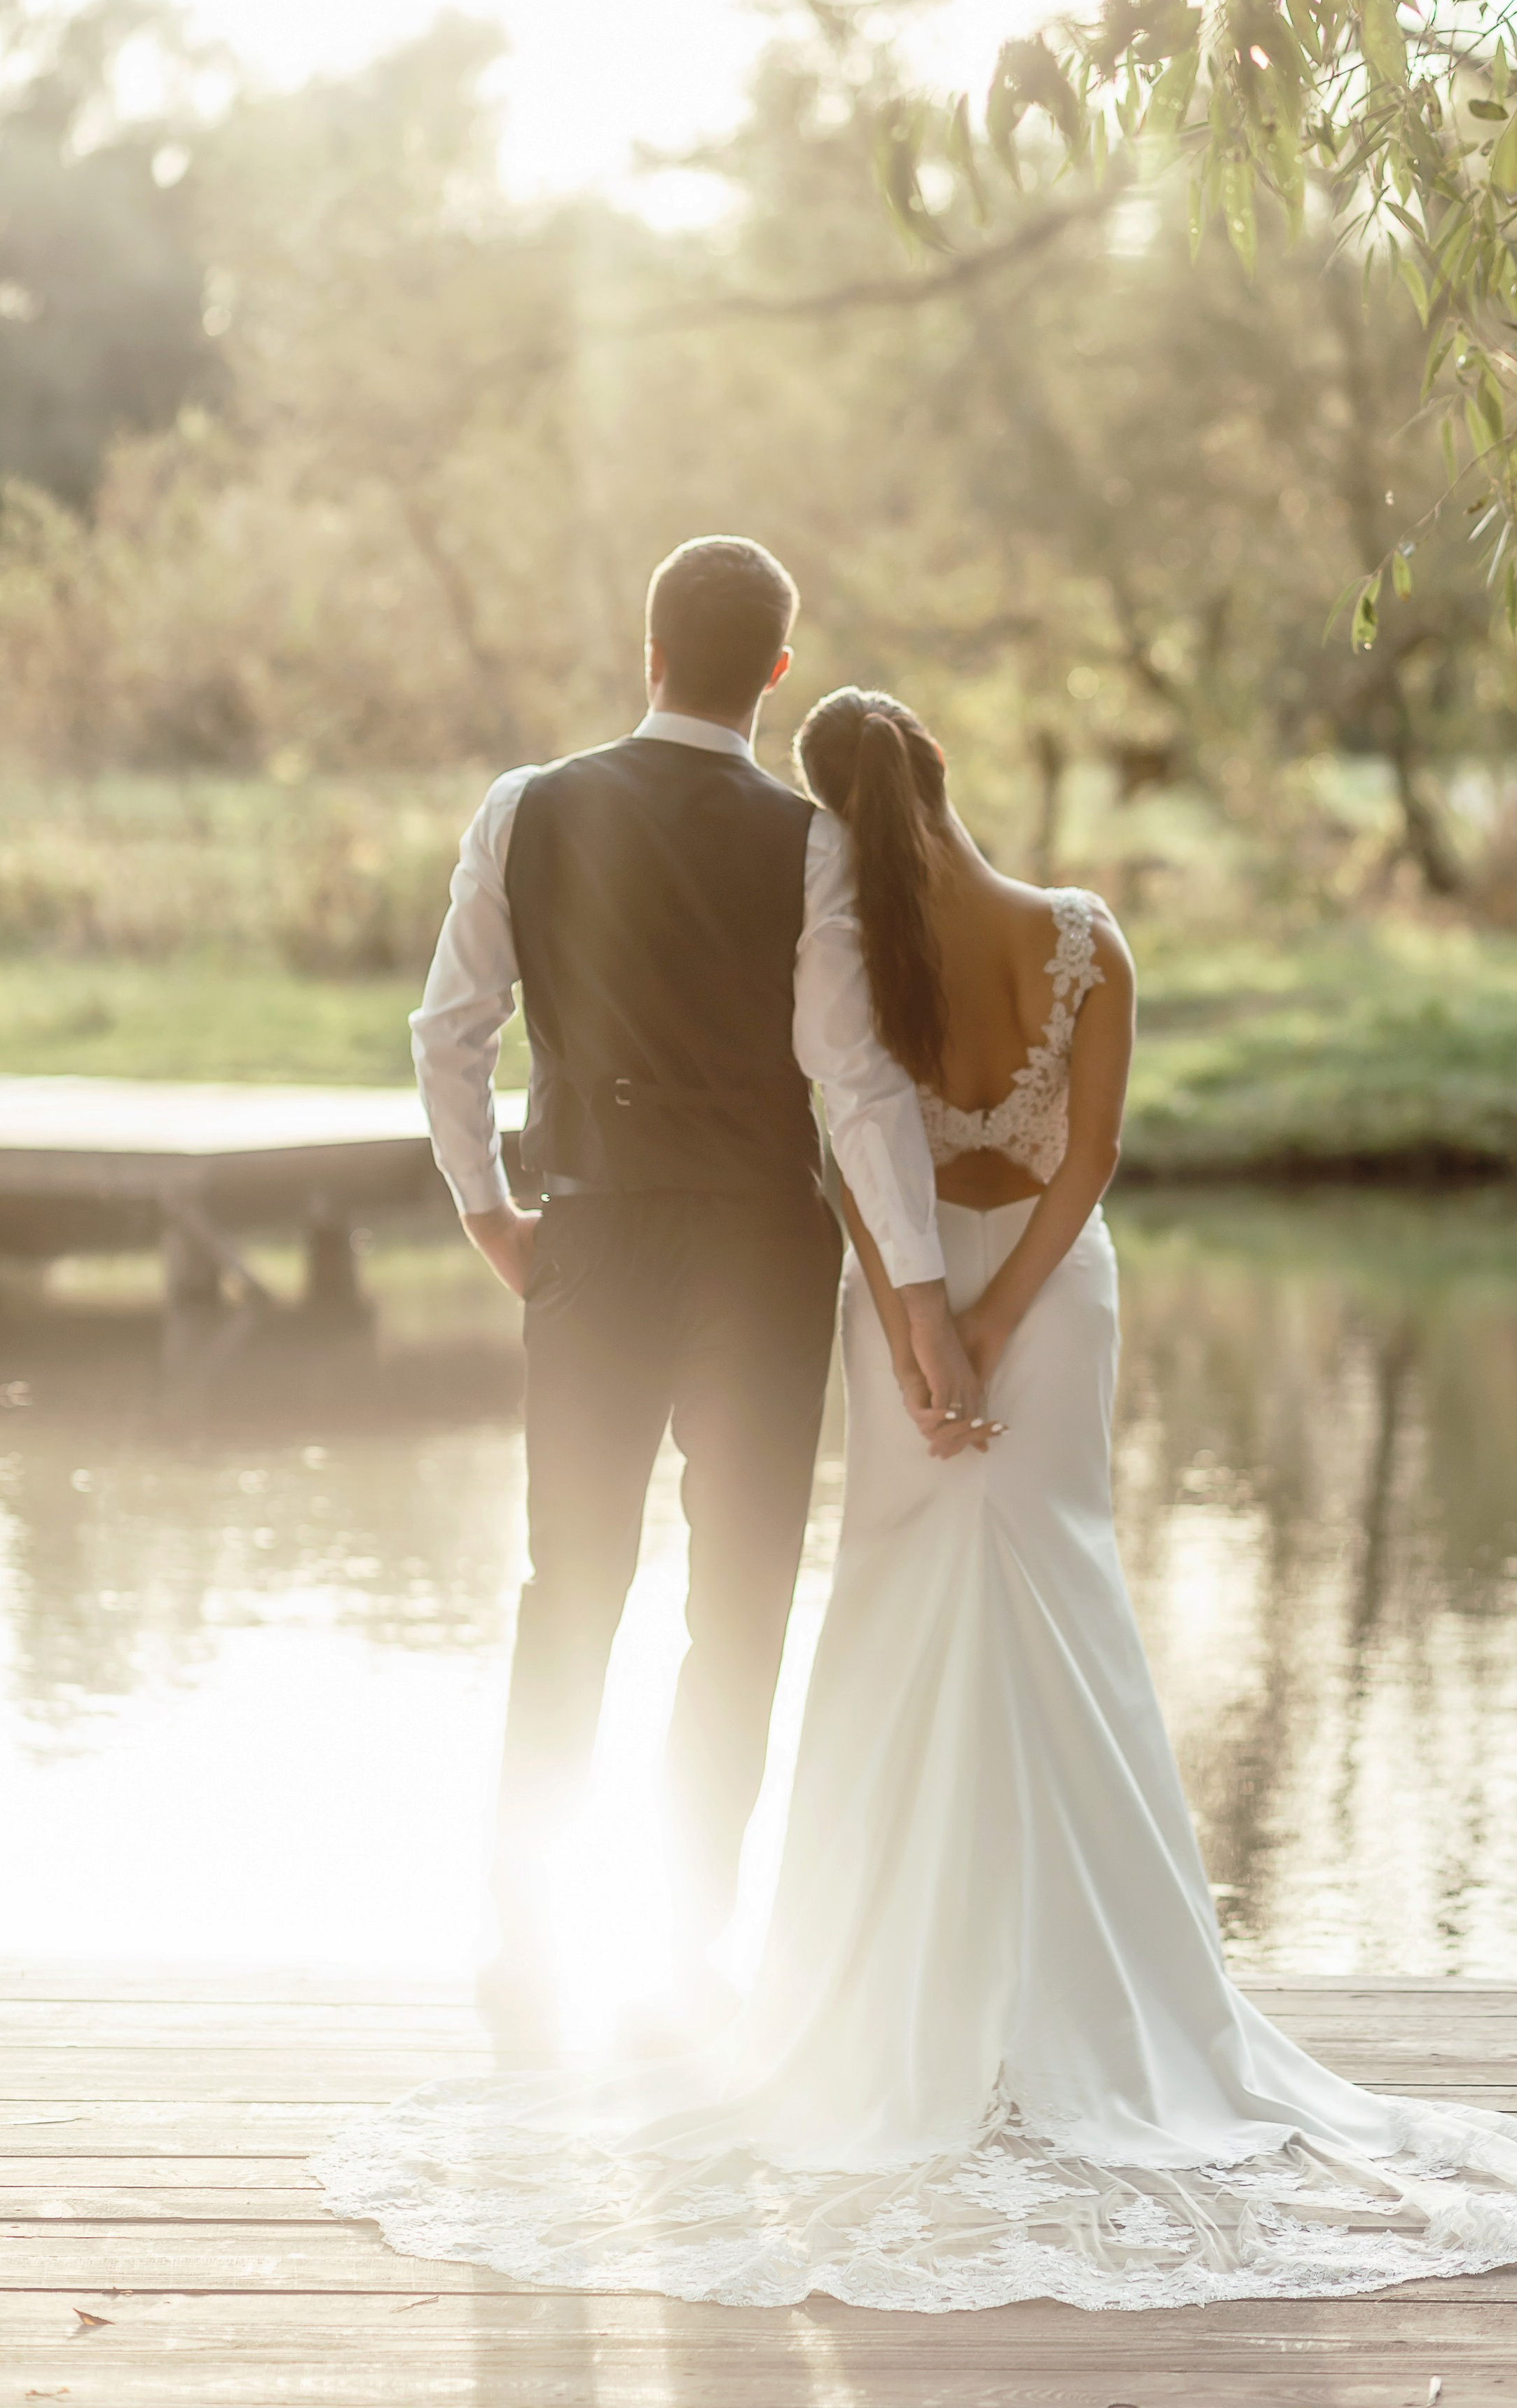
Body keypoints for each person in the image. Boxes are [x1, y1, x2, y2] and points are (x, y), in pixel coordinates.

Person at [320, 685, 1517, 2309]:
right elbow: (1086, 1160)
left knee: (878, 1597)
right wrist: (998, 1317)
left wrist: (911, 1318)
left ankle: (860, 1985)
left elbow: (851, 1129)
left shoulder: (856, 951)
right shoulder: (1081, 937)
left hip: (895, 1294)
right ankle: (1105, 1988)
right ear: (938, 773)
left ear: (831, 809)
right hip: (1048, 1303)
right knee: (1057, 1587)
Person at [409, 544, 984, 2051]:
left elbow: (450, 1032)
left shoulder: (523, 808)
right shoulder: (809, 844)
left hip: (589, 1244)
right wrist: (922, 1300)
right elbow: (855, 1082)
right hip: (759, 1256)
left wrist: (488, 1214)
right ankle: (677, 1958)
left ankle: (528, 1951)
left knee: (568, 1595)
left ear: (649, 647)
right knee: (734, 1609)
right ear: (776, 672)